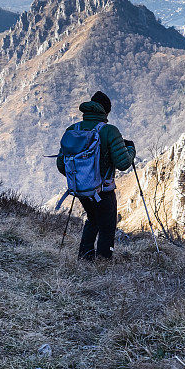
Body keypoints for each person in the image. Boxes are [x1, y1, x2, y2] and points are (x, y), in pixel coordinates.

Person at [56, 91, 135, 260]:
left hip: (81, 190)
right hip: (103, 191)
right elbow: (123, 164)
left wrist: (82, 178)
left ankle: (85, 258)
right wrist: (130, 149)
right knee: (107, 226)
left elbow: (61, 165)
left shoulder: (73, 129)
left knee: (92, 220)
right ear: (106, 112)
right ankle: (103, 262)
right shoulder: (109, 131)